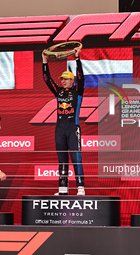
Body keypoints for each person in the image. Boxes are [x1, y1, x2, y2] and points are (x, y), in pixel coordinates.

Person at [42, 47, 85, 196]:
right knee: (62, 159)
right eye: (62, 79)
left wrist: (77, 59)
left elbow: (81, 77)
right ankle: (62, 188)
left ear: (72, 81)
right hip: (60, 128)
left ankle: (80, 187)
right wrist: (44, 61)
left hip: (73, 128)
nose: (63, 81)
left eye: (66, 79)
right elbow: (47, 80)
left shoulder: (77, 91)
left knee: (76, 157)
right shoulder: (59, 91)